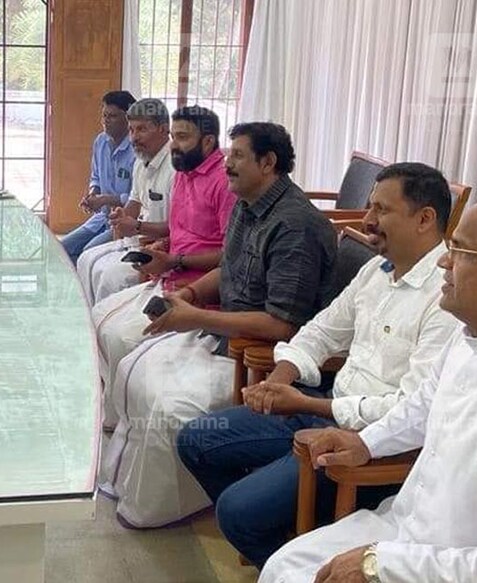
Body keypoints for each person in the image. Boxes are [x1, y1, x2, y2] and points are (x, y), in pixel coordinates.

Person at [261, 195, 477, 583]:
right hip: (409, 531)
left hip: (462, 567)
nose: (443, 260)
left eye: (461, 250)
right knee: (285, 568)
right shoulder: (473, 338)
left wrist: (380, 566)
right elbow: (425, 403)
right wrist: (367, 443)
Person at [176, 162, 459, 567]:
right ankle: (295, 533)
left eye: (382, 210)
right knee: (196, 442)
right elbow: (319, 331)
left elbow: (410, 409)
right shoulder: (377, 271)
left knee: (237, 513)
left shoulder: (444, 299)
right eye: (368, 206)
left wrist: (307, 405)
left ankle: (303, 553)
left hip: (369, 445)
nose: (368, 220)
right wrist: (279, 380)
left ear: (425, 219)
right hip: (322, 408)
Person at [99, 122, 335, 528]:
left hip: (256, 356)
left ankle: (168, 503)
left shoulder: (295, 226)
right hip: (223, 330)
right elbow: (230, 268)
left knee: (168, 407)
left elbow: (282, 326)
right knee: (130, 368)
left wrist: (196, 317)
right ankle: (132, 485)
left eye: (238, 156)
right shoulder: (248, 202)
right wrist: (189, 296)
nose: (227, 164)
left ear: (268, 162)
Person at [92, 106, 236, 426]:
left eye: (182, 137)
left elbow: (231, 255)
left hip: (196, 290)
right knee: (101, 319)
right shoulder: (184, 173)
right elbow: (178, 231)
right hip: (170, 274)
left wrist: (175, 260)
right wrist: (161, 248)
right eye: (174, 136)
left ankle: (128, 421)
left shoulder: (224, 184)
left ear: (209, 142)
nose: (173, 144)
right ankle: (116, 410)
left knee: (122, 339)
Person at [76, 98, 175, 305]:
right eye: (131, 130)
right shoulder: (141, 161)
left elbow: (176, 229)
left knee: (110, 276)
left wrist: (136, 225)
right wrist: (121, 217)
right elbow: (133, 204)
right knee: (86, 259)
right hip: (140, 240)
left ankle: (108, 321)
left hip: (165, 248)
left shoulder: (176, 168)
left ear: (163, 129)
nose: (134, 137)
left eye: (141, 129)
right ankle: (93, 323)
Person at [60, 90, 137, 264]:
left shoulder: (137, 150)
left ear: (128, 118)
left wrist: (105, 199)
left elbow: (137, 200)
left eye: (113, 116)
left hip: (123, 221)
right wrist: (93, 194)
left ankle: (85, 287)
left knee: (88, 253)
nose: (105, 121)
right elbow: (95, 176)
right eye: (104, 115)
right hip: (101, 217)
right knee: (62, 249)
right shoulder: (100, 141)